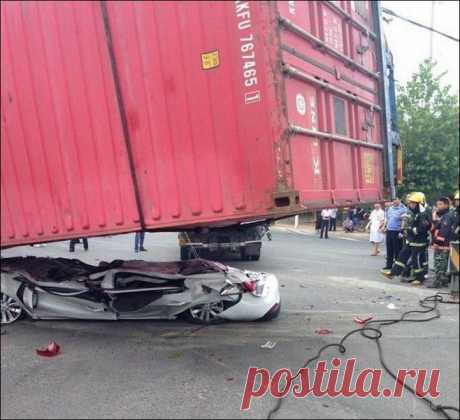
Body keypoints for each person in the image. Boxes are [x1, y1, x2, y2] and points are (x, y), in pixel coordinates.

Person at [382, 192, 432, 286]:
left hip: (419, 241)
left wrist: (409, 230)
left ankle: (419, 278)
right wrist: (406, 230)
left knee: (416, 259)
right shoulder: (414, 212)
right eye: (410, 203)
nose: (411, 205)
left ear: (419, 204)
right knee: (402, 255)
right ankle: (393, 272)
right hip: (411, 239)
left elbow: (422, 228)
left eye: (413, 203)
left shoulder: (423, 214)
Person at [427, 197, 457, 288]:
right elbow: (437, 227)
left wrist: (437, 242)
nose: (438, 207)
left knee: (439, 264)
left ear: (446, 205)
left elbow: (444, 231)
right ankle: (443, 282)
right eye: (437, 204)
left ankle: (438, 282)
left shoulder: (447, 216)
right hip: (443, 244)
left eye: (440, 204)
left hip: (442, 245)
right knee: (441, 264)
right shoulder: (444, 216)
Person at [381, 197, 407, 272]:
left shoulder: (403, 209)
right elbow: (387, 219)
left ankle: (397, 267)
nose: (394, 201)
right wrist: (384, 226)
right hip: (389, 230)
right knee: (389, 248)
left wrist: (401, 231)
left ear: (400, 200)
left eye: (396, 199)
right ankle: (389, 265)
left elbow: (404, 221)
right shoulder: (390, 208)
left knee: (397, 249)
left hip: (397, 231)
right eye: (393, 200)